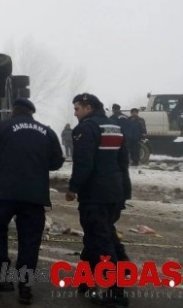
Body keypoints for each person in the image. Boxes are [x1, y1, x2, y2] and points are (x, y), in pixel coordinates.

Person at [0, 98, 64, 305]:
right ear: (31, 113)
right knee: (29, 241)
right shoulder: (47, 131)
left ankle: (3, 276)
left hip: (3, 194)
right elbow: (56, 162)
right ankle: (25, 288)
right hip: (34, 196)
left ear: (13, 112)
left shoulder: (1, 127)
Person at [66, 93, 131, 306]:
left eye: (77, 109)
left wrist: (74, 188)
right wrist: (124, 192)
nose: (75, 113)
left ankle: (116, 293)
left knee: (100, 240)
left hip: (95, 195)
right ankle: (113, 274)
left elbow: (84, 163)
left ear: (87, 107)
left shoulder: (86, 128)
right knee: (104, 235)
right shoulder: (115, 126)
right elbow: (123, 162)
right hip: (114, 192)